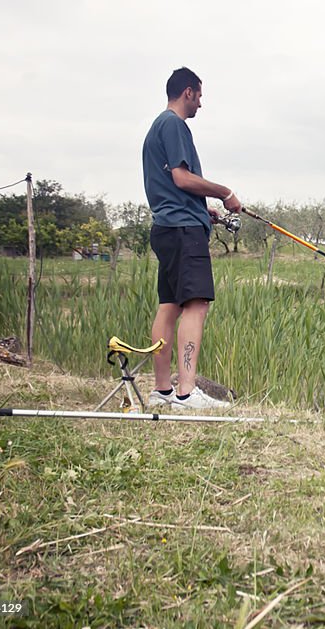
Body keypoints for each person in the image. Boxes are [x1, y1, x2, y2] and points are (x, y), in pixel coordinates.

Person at [142, 67, 243, 409]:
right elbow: (183, 178)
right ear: (188, 92)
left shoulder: (157, 126)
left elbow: (174, 186)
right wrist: (224, 193)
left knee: (169, 306)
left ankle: (162, 391)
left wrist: (203, 211)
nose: (200, 103)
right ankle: (185, 392)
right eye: (199, 96)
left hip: (169, 227)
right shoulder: (174, 125)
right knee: (196, 305)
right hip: (183, 231)